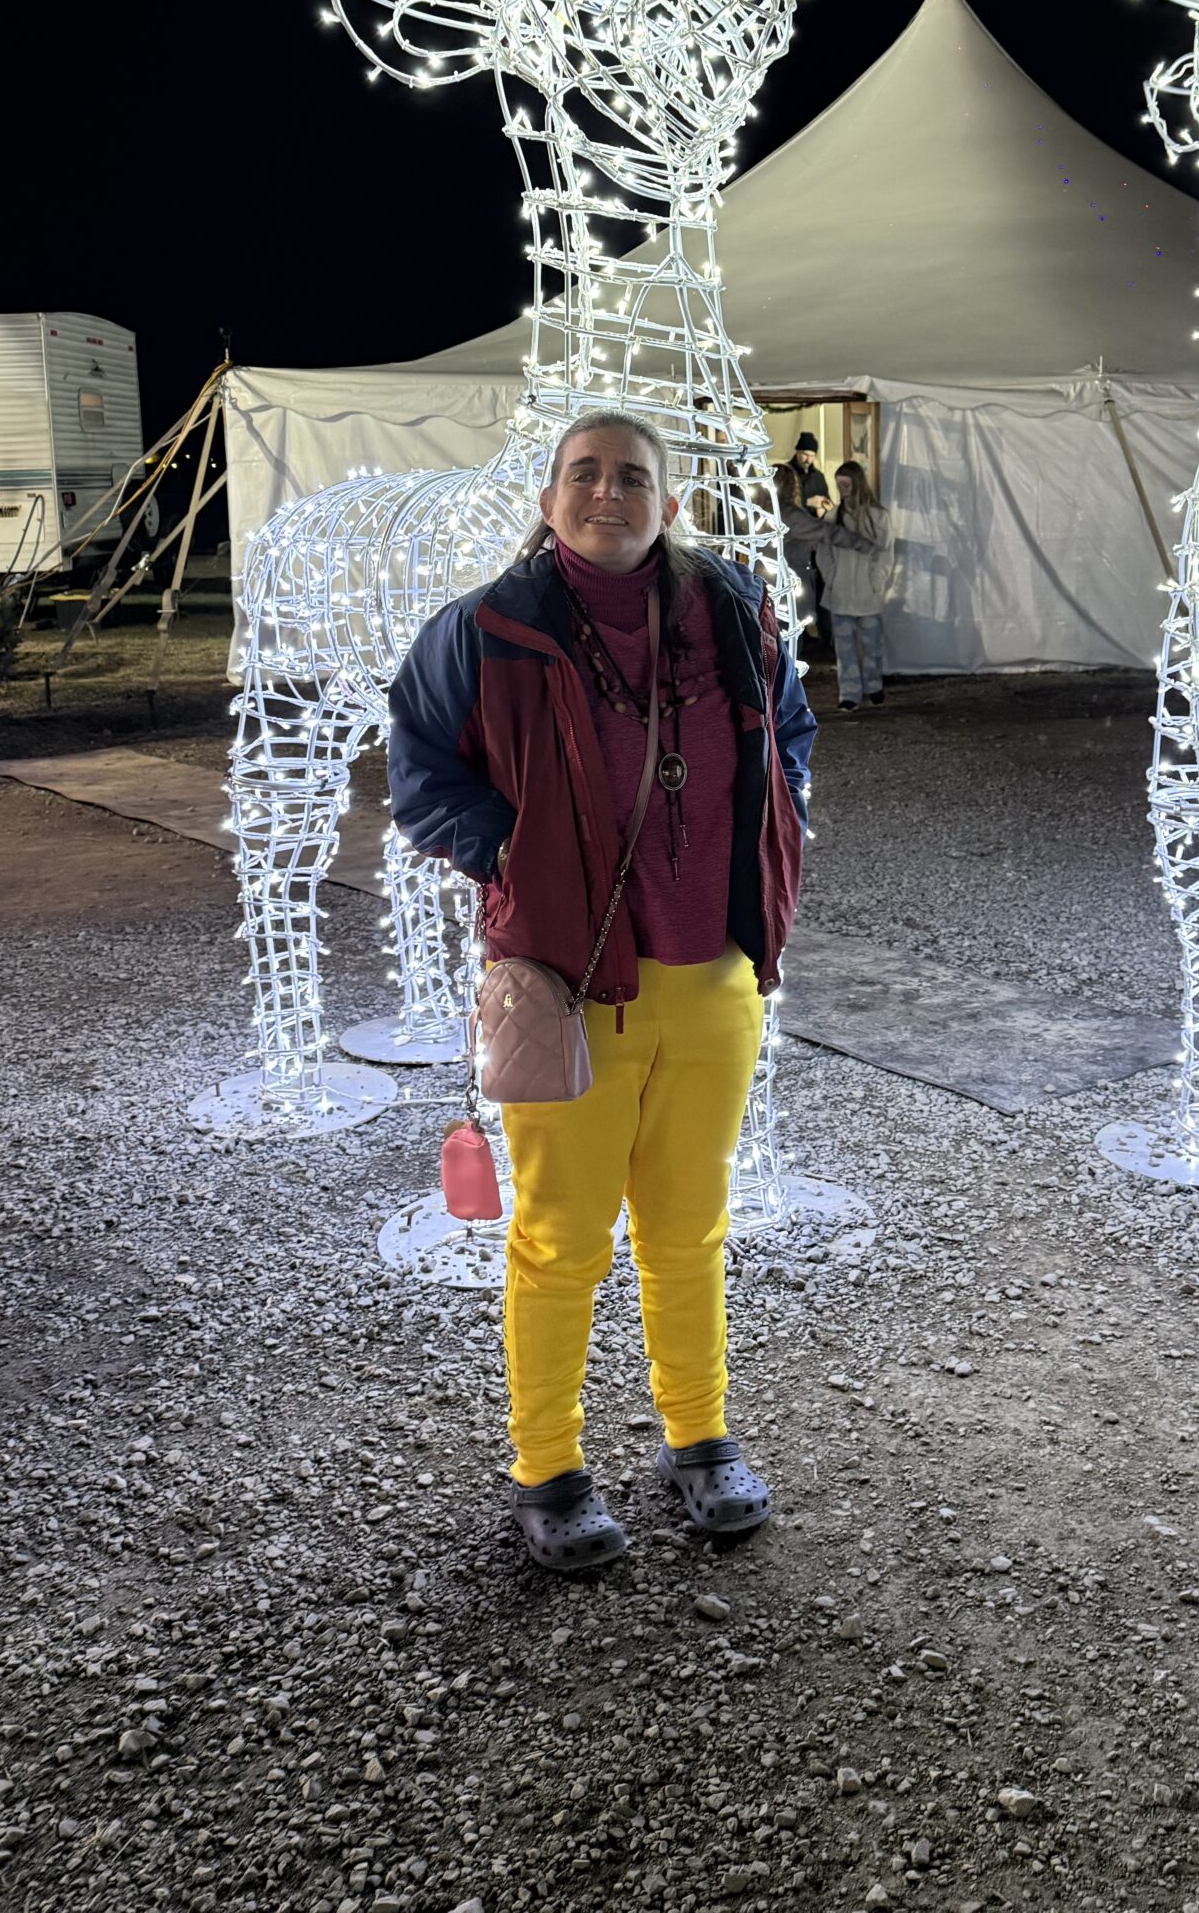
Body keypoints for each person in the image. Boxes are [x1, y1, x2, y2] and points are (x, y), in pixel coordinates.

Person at [388, 408, 815, 1569]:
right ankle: (548, 1468)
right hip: (567, 985)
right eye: (584, 473)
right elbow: (417, 765)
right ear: (549, 496)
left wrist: (780, 828)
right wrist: (513, 853)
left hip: (714, 977)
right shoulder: (490, 629)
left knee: (690, 1227)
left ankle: (701, 1439)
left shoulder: (729, 607)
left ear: (669, 502)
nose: (607, 493)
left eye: (633, 476)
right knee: (560, 1236)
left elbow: (789, 728)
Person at [816, 460, 895, 711]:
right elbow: (823, 552)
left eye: (846, 485)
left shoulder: (878, 517)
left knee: (872, 644)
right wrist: (831, 576)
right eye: (839, 485)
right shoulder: (832, 517)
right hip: (840, 593)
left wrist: (877, 579)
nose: (842, 490)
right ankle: (849, 692)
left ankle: (873, 685)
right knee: (844, 648)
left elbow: (886, 553)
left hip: (867, 592)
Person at [773, 459, 823, 655]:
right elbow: (820, 532)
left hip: (766, 585)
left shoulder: (759, 512)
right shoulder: (791, 514)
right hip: (791, 585)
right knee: (791, 642)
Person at [791, 432, 833, 515]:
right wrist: (806, 502)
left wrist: (825, 507)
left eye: (812, 456)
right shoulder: (785, 473)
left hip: (815, 523)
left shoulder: (818, 477)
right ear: (798, 451)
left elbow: (826, 498)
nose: (808, 460)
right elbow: (778, 502)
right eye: (805, 455)